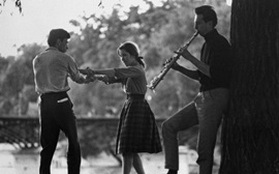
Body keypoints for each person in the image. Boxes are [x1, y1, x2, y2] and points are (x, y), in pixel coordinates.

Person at [162, 5, 232, 174]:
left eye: (198, 23)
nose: (195, 27)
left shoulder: (220, 44)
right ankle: (172, 170)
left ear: (210, 23)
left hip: (215, 97)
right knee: (168, 126)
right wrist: (178, 68)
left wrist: (190, 57)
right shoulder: (206, 45)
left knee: (204, 149)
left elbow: (213, 74)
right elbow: (201, 76)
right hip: (203, 97)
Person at [80, 41, 162, 174]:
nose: (123, 59)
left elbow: (114, 72)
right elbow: (109, 79)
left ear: (134, 55)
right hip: (131, 106)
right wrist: (93, 76)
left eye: (125, 55)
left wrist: (92, 71)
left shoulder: (136, 69)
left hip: (136, 107)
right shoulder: (131, 71)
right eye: (121, 56)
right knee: (131, 150)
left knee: (126, 149)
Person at [33, 28, 94, 174]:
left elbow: (52, 74)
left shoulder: (37, 59)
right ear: (58, 41)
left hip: (44, 103)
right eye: (66, 42)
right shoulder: (65, 58)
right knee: (73, 141)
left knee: (47, 146)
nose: (67, 46)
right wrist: (89, 78)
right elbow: (78, 78)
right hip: (60, 101)